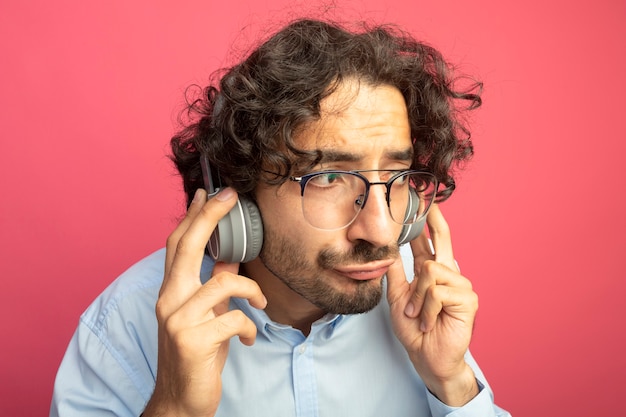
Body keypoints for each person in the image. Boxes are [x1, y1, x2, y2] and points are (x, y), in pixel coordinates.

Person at [51, 18, 510, 417]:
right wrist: (176, 407)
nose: (382, 229)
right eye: (329, 179)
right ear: (238, 194)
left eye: (395, 176)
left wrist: (452, 384)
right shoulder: (125, 322)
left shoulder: (419, 304)